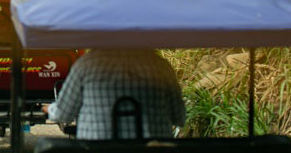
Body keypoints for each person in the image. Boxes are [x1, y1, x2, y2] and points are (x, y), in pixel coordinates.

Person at [42, 49, 186, 140]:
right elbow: (179, 117)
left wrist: (50, 109)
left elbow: (64, 114)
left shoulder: (86, 65)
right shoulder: (161, 66)